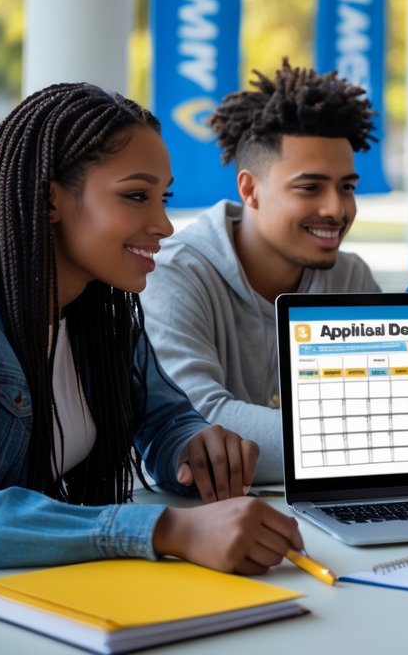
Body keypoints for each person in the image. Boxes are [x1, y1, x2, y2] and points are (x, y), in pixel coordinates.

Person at [0, 83, 302, 571]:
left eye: (164, 198)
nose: (163, 224)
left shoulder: (102, 317)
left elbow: (164, 420)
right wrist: (165, 529)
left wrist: (194, 446)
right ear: (50, 200)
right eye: (136, 196)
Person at [143, 60, 381, 484]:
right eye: (310, 187)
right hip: (195, 522)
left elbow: (385, 404)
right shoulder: (174, 273)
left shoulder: (352, 278)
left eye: (347, 187)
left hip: (330, 506)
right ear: (250, 189)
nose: (337, 209)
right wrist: (377, 442)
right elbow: (199, 424)